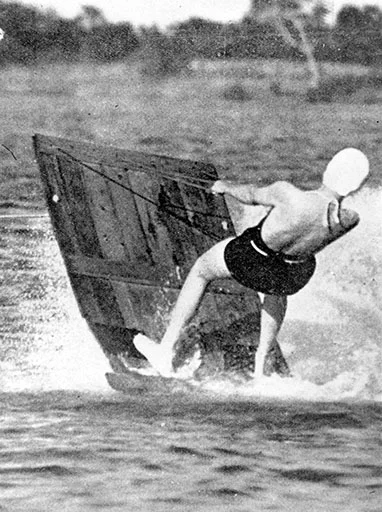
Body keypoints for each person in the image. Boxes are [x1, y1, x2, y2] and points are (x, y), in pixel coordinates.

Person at [134, 148, 370, 379]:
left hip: (251, 260)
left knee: (201, 270)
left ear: (328, 171)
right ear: (355, 186)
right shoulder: (348, 219)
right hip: (291, 275)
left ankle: (165, 349)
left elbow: (251, 195)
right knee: (276, 287)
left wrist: (225, 187)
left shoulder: (288, 194)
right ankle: (260, 368)